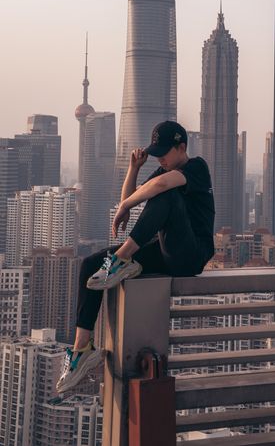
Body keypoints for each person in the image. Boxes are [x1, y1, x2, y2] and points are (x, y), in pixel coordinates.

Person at [56, 120, 215, 393]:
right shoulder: (163, 169)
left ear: (182, 147)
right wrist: (134, 169)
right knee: (91, 265)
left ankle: (122, 259)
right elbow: (130, 197)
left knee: (165, 195)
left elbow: (156, 189)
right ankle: (82, 348)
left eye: (164, 152)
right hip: (163, 250)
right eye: (156, 153)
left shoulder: (196, 167)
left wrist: (126, 206)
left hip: (190, 255)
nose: (160, 158)